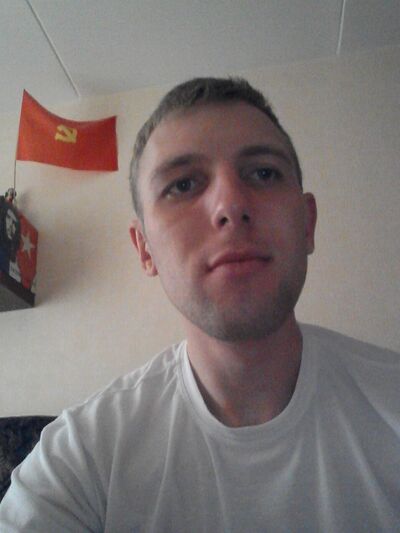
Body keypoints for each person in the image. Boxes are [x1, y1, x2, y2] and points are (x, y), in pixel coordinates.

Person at [0, 77, 399, 532]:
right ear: (144, 248)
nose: (230, 205)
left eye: (263, 173)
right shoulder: (78, 460)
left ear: (307, 224)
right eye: (184, 184)